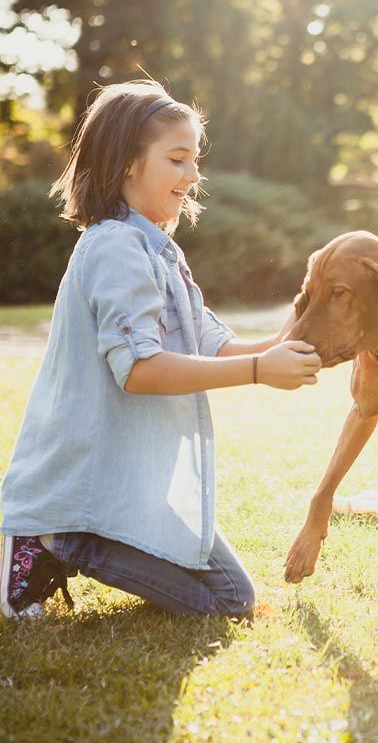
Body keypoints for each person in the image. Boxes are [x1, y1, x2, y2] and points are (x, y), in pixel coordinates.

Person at [1, 81, 322, 620]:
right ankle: (51, 538)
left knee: (231, 595)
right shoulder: (114, 248)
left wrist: (304, 320)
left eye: (194, 160)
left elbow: (215, 342)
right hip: (87, 474)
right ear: (128, 162)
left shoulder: (157, 248)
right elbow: (141, 371)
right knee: (228, 604)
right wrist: (260, 371)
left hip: (132, 474)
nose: (194, 176)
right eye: (178, 159)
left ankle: (75, 534)